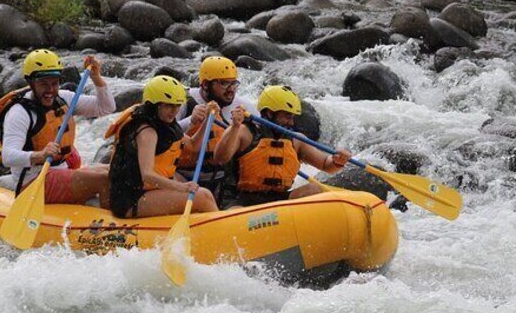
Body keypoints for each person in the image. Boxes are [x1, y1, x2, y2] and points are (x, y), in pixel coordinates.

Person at [0, 50, 115, 206]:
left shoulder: (63, 98)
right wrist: (39, 155)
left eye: (54, 83)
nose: (50, 90)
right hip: (34, 182)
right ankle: (110, 223)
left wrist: (96, 78)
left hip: (61, 171)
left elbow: (106, 107)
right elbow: (8, 156)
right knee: (103, 179)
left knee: (113, 171)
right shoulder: (19, 113)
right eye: (43, 84)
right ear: (31, 83)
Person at [213, 85, 352, 207]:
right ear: (269, 113)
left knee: (314, 190)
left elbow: (326, 164)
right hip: (242, 200)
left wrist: (337, 161)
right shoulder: (244, 132)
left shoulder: (297, 141)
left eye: (292, 117)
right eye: (287, 116)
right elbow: (220, 158)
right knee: (236, 212)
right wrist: (234, 127)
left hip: (278, 200)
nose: (291, 123)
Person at [106, 75, 219, 218]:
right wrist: (182, 188)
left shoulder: (165, 123)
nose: (174, 111)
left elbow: (193, 145)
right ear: (154, 104)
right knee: (204, 197)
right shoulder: (147, 131)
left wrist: (208, 120)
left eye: (177, 105)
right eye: (169, 106)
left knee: (199, 193)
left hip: (148, 191)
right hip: (131, 199)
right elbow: (147, 175)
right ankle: (224, 233)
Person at [175, 56, 258, 200]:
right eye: (224, 84)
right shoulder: (183, 101)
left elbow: (264, 137)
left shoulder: (242, 106)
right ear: (206, 85)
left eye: (234, 84)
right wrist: (191, 121)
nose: (231, 90)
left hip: (222, 180)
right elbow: (162, 133)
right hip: (184, 177)